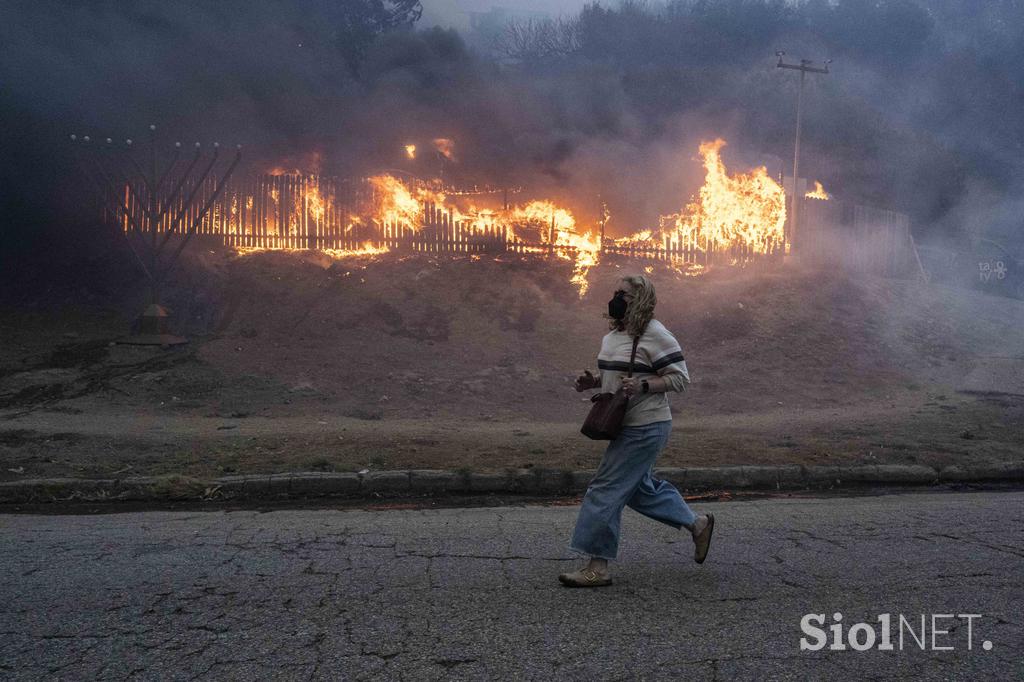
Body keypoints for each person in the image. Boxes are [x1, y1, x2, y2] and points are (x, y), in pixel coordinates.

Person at [558, 274, 714, 587]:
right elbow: (617, 378)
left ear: (640, 300)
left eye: (624, 295)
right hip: (624, 424)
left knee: (605, 488)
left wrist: (644, 385)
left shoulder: (655, 334)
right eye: (615, 292)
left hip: (647, 425)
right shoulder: (614, 335)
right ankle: (697, 525)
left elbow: (680, 379)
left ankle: (597, 567)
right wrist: (593, 382)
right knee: (638, 490)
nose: (616, 298)